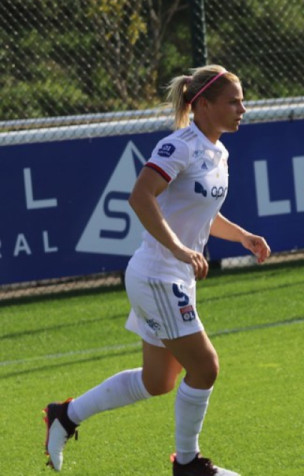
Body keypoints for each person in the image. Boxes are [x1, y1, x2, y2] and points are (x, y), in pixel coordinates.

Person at [43, 65, 271, 476]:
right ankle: (188, 464)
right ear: (203, 104)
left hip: (172, 276)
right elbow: (140, 197)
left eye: (242, 100)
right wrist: (180, 248)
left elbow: (202, 213)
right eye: (233, 101)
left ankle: (65, 415)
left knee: (159, 380)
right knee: (205, 367)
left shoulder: (218, 151)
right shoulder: (179, 145)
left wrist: (242, 236)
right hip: (158, 275)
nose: (243, 108)